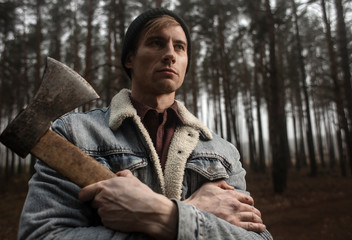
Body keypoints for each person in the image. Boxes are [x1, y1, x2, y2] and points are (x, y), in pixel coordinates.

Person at [18, 8, 273, 240]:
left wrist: (164, 215)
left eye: (180, 47)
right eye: (156, 43)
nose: (170, 55)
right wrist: (184, 216)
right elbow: (41, 234)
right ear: (130, 59)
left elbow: (257, 237)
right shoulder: (75, 135)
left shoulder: (221, 153)